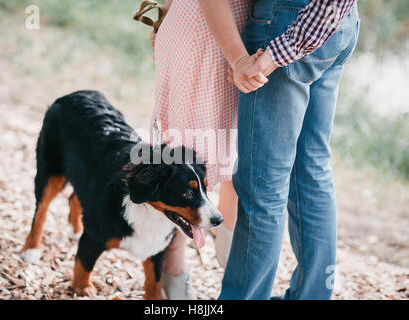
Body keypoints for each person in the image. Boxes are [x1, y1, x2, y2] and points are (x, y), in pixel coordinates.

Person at [219, 0, 360, 299]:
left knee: (262, 184)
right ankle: (312, 295)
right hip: (338, 22)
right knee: (311, 168)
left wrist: (270, 56)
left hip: (287, 23)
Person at [149, 0, 267, 299]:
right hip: (209, 35)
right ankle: (180, 273)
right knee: (187, 156)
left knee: (223, 149)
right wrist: (238, 58)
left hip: (222, 30)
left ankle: (211, 269)